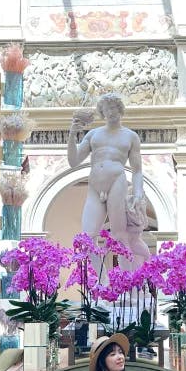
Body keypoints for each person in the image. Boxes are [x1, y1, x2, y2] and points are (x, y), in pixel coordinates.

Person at [67, 93, 145, 256]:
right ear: (102, 112)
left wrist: (138, 193)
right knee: (87, 236)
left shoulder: (130, 136)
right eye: (107, 109)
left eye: (114, 108)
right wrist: (72, 135)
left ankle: (125, 280)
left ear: (120, 109)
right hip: (95, 186)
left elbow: (137, 170)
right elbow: (74, 161)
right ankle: (101, 280)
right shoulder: (93, 134)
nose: (111, 112)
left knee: (119, 235)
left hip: (117, 182)